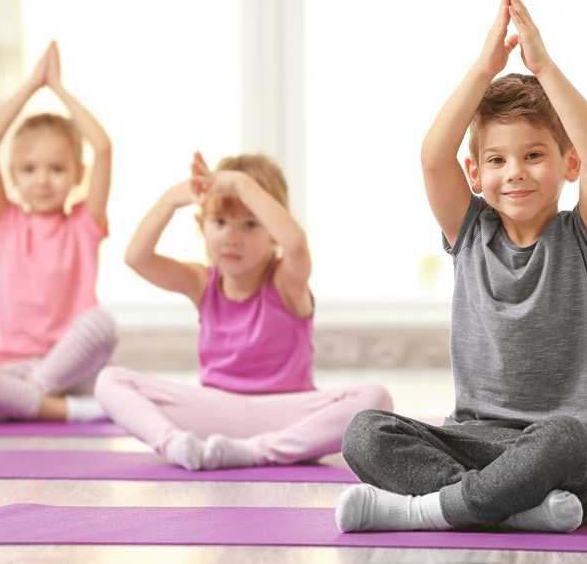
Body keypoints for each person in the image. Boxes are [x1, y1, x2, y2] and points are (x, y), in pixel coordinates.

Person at [337, 0, 587, 533]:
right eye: (497, 159)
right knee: (364, 433)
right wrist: (484, 67)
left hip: (565, 457)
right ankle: (514, 512)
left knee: (565, 437)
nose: (514, 171)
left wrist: (542, 65)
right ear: (475, 173)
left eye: (533, 155)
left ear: (567, 163)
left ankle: (430, 512)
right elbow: (432, 156)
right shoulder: (469, 232)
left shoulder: (584, 238)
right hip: (473, 443)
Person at [95, 152, 392, 470]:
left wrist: (241, 183)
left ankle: (256, 452)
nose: (232, 238)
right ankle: (175, 445)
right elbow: (137, 257)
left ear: (272, 234)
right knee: (108, 381)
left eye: (250, 225)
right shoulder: (201, 282)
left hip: (286, 415)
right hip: (215, 411)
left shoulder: (286, 281)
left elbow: (295, 244)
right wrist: (170, 200)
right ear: (202, 226)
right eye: (220, 223)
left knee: (377, 399)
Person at [0, 42, 117, 424]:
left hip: (74, 367)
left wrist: (60, 89)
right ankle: (59, 408)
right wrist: (32, 86)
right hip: (13, 365)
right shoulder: (6, 223)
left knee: (101, 324)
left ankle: (27, 399)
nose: (43, 180)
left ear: (77, 175)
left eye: (57, 168)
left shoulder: (85, 225)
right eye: (29, 169)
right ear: (13, 176)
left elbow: (102, 147)